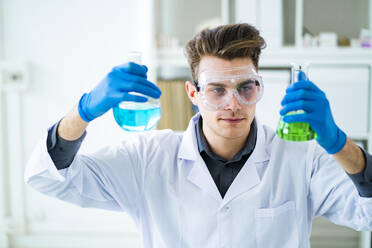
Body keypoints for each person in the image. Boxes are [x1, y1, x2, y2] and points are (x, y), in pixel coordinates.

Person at [25, 23, 372, 247]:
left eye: (246, 88)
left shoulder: (300, 159)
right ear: (193, 94)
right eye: (217, 90)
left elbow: (366, 214)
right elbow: (48, 177)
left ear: (259, 87)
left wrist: (338, 143)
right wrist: (84, 111)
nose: (233, 104)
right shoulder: (148, 158)